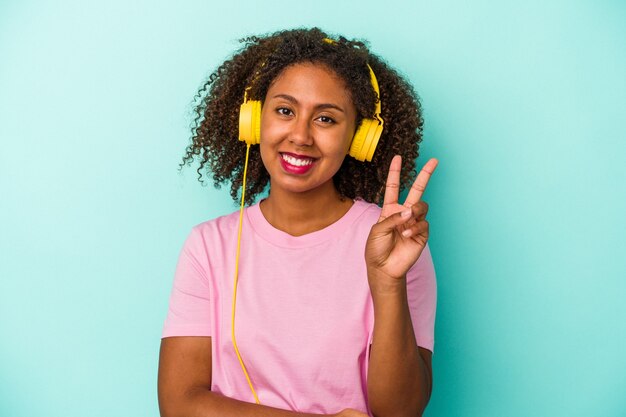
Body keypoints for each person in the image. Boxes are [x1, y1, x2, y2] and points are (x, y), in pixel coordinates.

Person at [158, 28, 438, 417]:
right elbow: (179, 404)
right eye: (285, 110)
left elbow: (400, 411)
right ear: (253, 120)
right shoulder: (208, 246)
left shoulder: (395, 242)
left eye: (326, 118)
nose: (301, 136)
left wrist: (388, 284)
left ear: (359, 138)